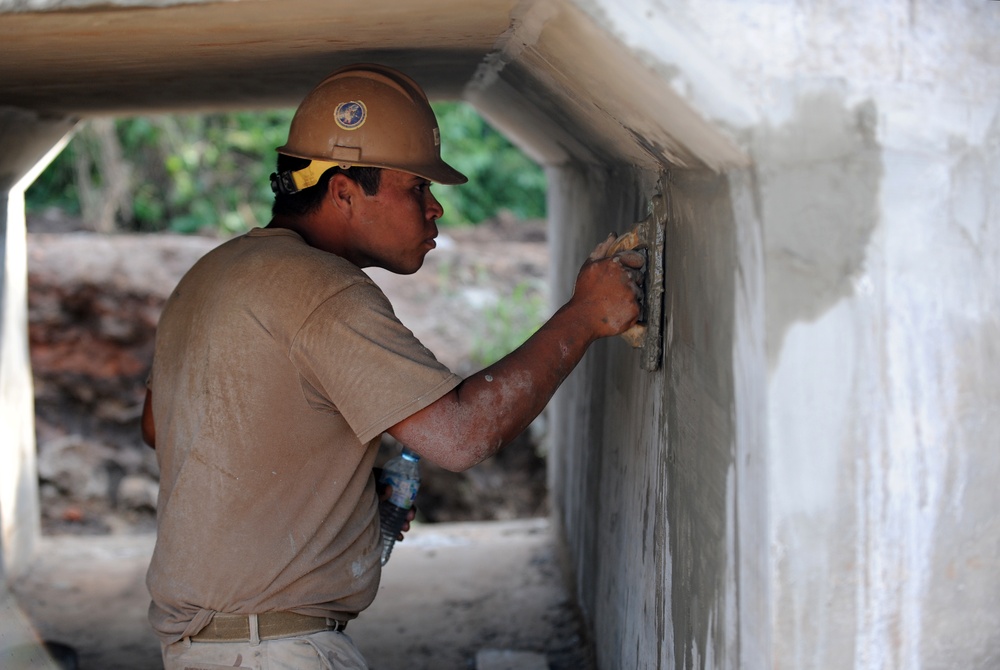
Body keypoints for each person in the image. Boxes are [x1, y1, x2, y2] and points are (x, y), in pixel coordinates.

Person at [141, 63, 644, 670]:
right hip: (272, 652)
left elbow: (158, 425)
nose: (436, 211)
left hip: (207, 647)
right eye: (416, 190)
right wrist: (585, 315)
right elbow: (460, 435)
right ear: (345, 191)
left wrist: (325, 480)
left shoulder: (211, 273)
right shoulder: (320, 288)